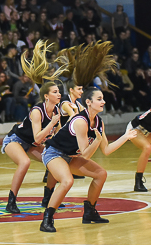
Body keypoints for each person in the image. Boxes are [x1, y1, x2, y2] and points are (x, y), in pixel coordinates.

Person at [40, 85, 137, 233]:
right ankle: (47, 219)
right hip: (53, 153)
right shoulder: (80, 121)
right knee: (67, 181)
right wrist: (97, 141)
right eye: (99, 99)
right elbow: (85, 155)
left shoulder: (99, 122)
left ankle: (89, 212)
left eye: (103, 99)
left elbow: (106, 150)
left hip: (71, 156)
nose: (103, 101)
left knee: (101, 174)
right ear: (88, 102)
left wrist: (125, 137)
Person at [2, 42, 65, 213]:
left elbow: (56, 135)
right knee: (25, 162)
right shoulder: (38, 111)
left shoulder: (57, 111)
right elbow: (37, 137)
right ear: (46, 96)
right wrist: (52, 124)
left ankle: (48, 198)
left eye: (59, 91)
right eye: (55, 92)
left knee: (55, 159)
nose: (59, 94)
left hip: (32, 143)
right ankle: (11, 202)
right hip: (16, 139)